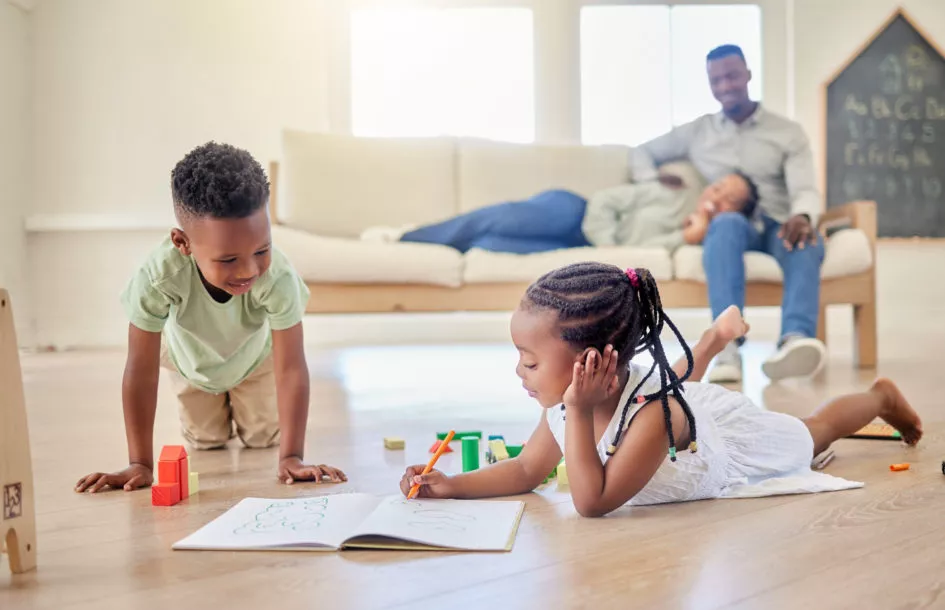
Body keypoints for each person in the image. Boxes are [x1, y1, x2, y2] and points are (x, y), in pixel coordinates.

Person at [398, 263, 922, 517]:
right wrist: (453, 484)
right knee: (676, 380)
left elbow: (592, 501)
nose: (519, 372)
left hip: (724, 446)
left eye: (531, 361)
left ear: (591, 362)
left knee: (815, 432)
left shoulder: (649, 417)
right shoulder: (565, 406)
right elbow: (524, 470)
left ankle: (880, 397)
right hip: (668, 400)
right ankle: (712, 341)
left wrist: (578, 414)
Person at [75, 142, 347, 493]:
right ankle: (213, 409)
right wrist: (139, 463)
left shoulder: (277, 276)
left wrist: (291, 456)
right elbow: (140, 368)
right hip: (193, 365)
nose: (250, 269)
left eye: (261, 250)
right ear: (182, 243)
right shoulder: (158, 277)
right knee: (207, 440)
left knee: (262, 438)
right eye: (228, 259)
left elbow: (292, 366)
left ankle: (251, 411)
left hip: (255, 360)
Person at [630, 43, 826, 384]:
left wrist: (803, 216)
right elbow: (642, 152)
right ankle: (728, 348)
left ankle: (794, 342)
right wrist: (655, 180)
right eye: (715, 80)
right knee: (724, 226)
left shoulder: (787, 132)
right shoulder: (698, 131)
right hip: (733, 224)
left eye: (732, 76)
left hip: (779, 222)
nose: (725, 86)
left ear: (748, 75)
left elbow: (805, 189)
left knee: (806, 241)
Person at [362, 172, 759, 254]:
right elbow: (606, 200)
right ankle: (405, 237)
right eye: (720, 186)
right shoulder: (671, 191)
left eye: (730, 200)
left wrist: (685, 236)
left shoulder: (699, 242)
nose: (718, 197)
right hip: (574, 213)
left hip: (574, 245)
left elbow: (643, 251)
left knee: (487, 243)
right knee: (496, 218)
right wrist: (607, 243)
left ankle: (433, 242)